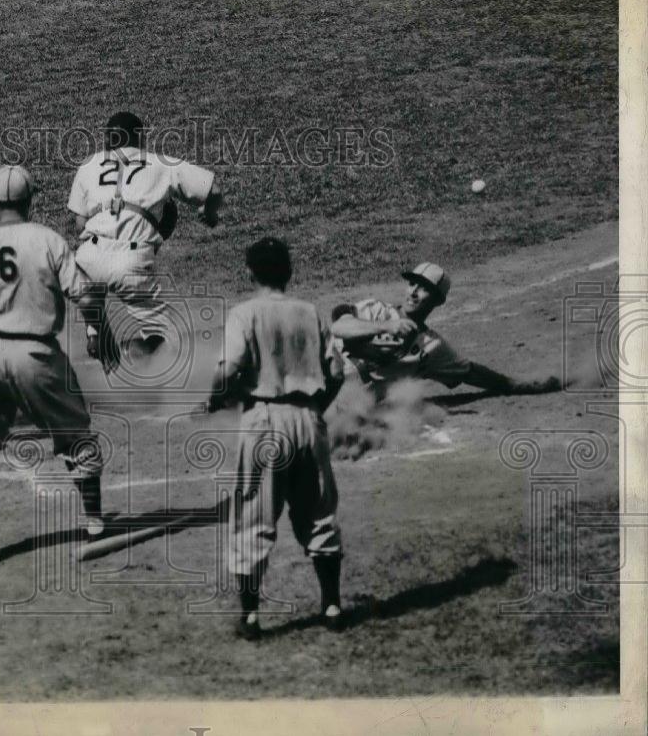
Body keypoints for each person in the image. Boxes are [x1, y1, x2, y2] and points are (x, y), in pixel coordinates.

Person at [0, 164, 116, 565]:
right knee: (76, 436)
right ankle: (95, 524)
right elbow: (86, 296)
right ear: (31, 199)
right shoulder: (47, 240)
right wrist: (99, 331)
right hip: (37, 357)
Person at [205, 237, 346, 640]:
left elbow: (228, 369)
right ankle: (332, 606)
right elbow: (337, 373)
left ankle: (251, 618)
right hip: (308, 419)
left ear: (250, 273)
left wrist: (215, 399)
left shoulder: (244, 313)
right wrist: (316, 409)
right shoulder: (310, 311)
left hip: (264, 421)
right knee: (318, 512)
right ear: (289, 271)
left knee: (253, 516)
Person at [67, 111, 223, 361]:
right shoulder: (161, 163)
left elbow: (80, 224)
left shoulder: (89, 164)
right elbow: (212, 189)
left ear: (107, 140)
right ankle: (127, 352)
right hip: (130, 261)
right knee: (167, 343)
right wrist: (209, 213)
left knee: (92, 291)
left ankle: (94, 331)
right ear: (140, 138)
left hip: (86, 260)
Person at [330, 262, 561, 398]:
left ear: (438, 300)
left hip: (348, 404)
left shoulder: (432, 347)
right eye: (412, 284)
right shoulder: (376, 310)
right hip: (321, 376)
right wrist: (386, 326)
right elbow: (340, 326)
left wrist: (519, 385)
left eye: (424, 288)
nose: (413, 293)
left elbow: (471, 372)